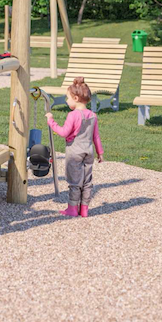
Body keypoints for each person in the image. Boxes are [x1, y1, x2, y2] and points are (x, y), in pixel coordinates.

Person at [46, 77, 104, 218]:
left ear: (76, 98)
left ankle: (72, 208)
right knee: (87, 181)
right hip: (88, 151)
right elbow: (96, 136)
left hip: (74, 152)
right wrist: (100, 152)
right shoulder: (93, 115)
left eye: (68, 98)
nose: (67, 101)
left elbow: (64, 132)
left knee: (75, 181)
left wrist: (51, 121)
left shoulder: (73, 115)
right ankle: (84, 209)